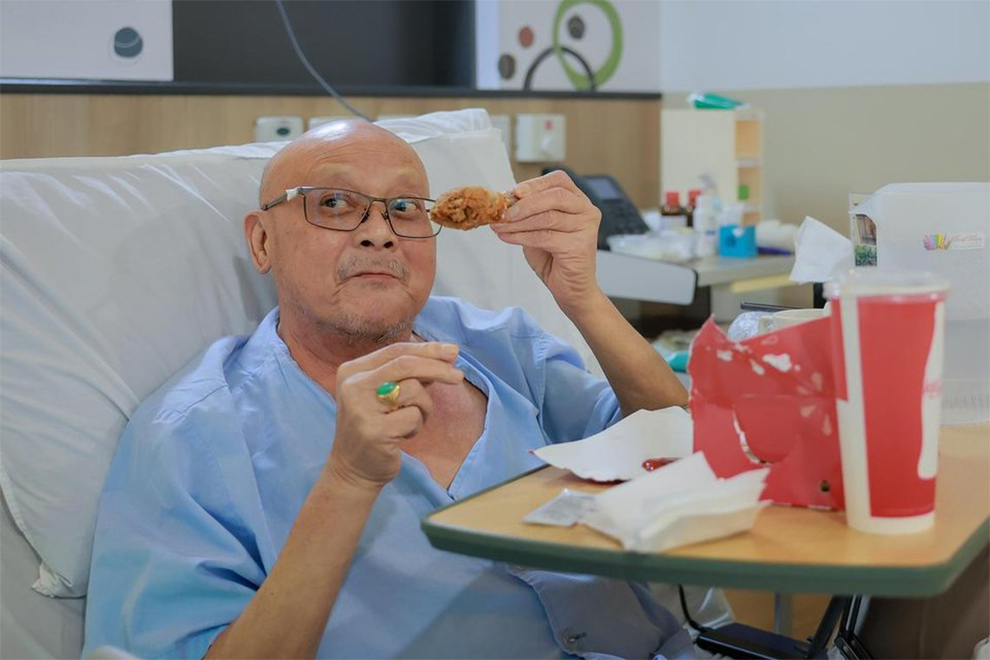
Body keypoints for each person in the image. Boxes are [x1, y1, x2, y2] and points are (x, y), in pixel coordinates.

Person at [83, 120, 692, 659]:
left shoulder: (502, 346)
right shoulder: (192, 436)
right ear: (262, 242)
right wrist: (348, 480)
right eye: (333, 202)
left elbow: (676, 453)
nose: (380, 233)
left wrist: (583, 298)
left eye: (405, 208)